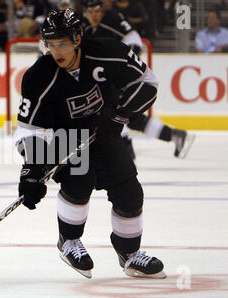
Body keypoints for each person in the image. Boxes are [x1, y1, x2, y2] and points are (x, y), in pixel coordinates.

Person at [15, 8, 166, 279]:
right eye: (51, 43)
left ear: (77, 38)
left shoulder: (108, 51)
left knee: (130, 192)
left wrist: (119, 114)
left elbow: (148, 83)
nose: (57, 51)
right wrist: (32, 171)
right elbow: (30, 129)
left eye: (63, 43)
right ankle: (69, 240)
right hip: (65, 139)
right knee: (79, 179)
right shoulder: (39, 77)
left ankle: (130, 255)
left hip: (103, 132)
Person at [84, 0, 195, 159]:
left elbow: (135, 41)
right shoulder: (87, 30)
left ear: (102, 12)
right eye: (91, 12)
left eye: (97, 11)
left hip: (118, 79)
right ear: (86, 13)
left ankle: (126, 149)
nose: (94, 15)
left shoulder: (113, 20)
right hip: (106, 80)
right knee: (131, 117)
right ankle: (173, 135)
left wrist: (123, 65)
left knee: (114, 110)